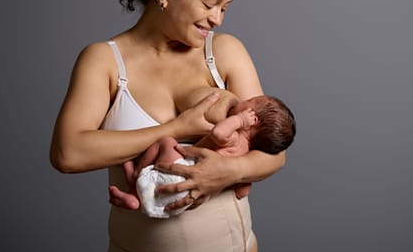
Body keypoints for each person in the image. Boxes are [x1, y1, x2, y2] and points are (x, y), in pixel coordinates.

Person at [49, 0, 286, 252]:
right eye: (209, 3)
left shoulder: (226, 53)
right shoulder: (104, 61)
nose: (217, 18)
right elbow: (67, 154)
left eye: (225, 8)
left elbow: (274, 152)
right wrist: (175, 129)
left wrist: (226, 172)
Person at [109, 87, 296, 218]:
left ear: (252, 120)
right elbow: (242, 191)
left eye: (247, 102)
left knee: (166, 142)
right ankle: (135, 199)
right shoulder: (246, 155)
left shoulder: (234, 138)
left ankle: (135, 178)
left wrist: (239, 120)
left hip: (182, 175)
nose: (241, 101)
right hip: (189, 201)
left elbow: (217, 133)